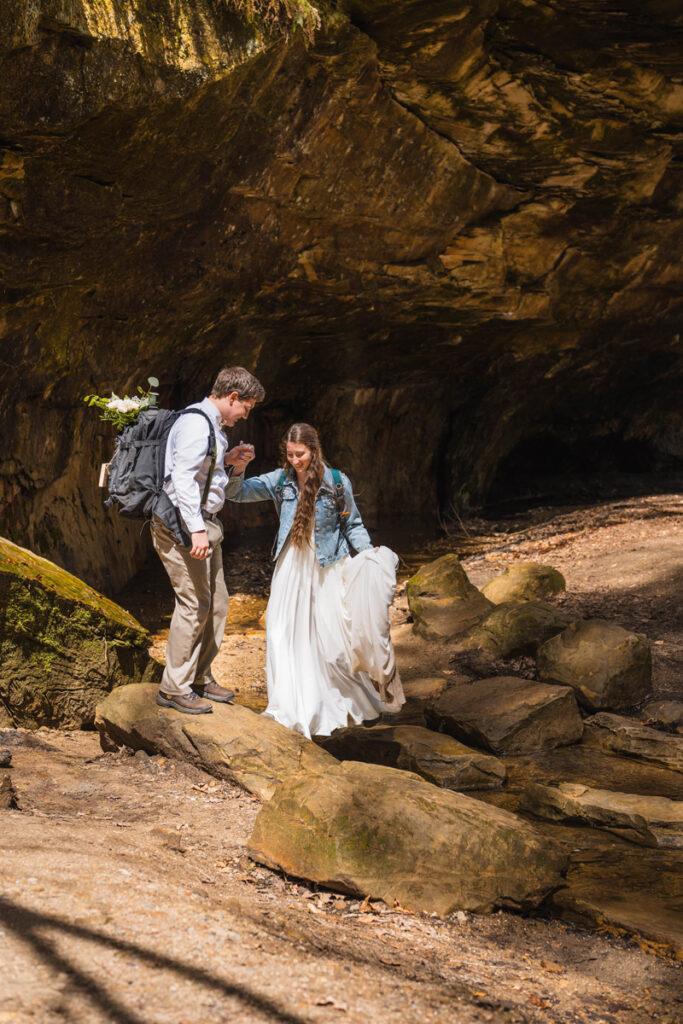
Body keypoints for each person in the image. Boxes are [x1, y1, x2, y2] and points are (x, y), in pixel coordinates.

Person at [228, 423, 405, 738]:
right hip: (291, 567)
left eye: (301, 454)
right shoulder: (280, 480)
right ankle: (290, 704)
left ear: (314, 450)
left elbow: (353, 524)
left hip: (328, 566)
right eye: (290, 454)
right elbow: (236, 493)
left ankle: (342, 702)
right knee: (281, 631)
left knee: (331, 642)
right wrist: (238, 468)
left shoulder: (336, 482)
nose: (295, 460)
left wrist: (368, 555)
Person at [152, 366, 263, 715]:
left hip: (204, 525)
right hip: (182, 528)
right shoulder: (196, 423)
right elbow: (182, 480)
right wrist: (196, 530)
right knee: (194, 604)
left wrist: (227, 462)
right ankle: (173, 688)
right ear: (233, 398)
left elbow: (201, 472)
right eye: (247, 407)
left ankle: (199, 675)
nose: (246, 414)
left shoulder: (211, 427)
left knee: (216, 603)